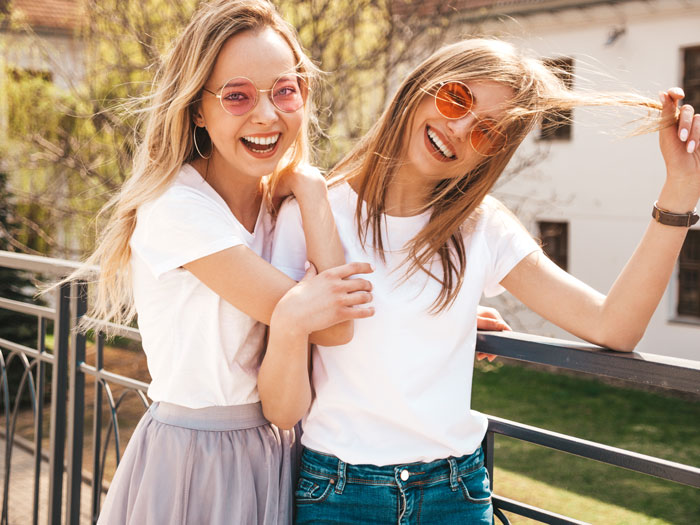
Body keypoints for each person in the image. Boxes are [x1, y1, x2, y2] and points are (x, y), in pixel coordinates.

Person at [263, 38, 700, 524]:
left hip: (456, 495)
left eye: (486, 132)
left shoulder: (480, 226)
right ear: (421, 87)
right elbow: (284, 399)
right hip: (339, 496)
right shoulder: (310, 214)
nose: (458, 130)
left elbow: (615, 326)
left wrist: (679, 192)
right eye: (457, 99)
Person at [58, 0, 381, 523]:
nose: (267, 115)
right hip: (196, 459)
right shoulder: (176, 209)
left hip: (278, 451)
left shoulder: (285, 204)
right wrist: (315, 193)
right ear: (197, 110)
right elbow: (332, 326)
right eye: (237, 96)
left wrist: (312, 191)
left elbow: (338, 306)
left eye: (284, 90)